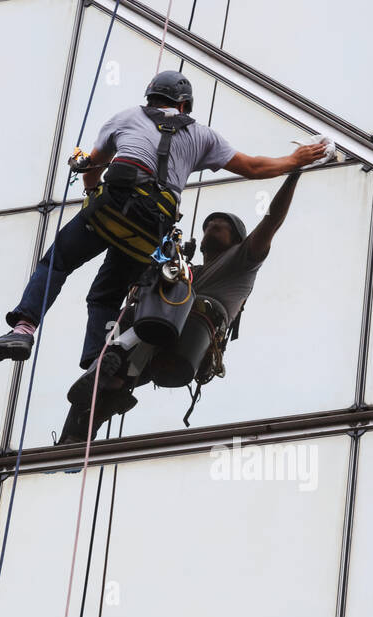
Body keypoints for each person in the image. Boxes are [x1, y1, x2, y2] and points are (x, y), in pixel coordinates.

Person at [0, 70, 325, 369]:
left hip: (112, 207)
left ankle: (23, 330)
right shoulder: (202, 135)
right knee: (106, 294)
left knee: (58, 261)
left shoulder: (125, 117)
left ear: (150, 98)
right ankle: (100, 358)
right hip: (151, 227)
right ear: (184, 106)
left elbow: (92, 168)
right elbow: (253, 167)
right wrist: (297, 159)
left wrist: (93, 202)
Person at [56, 169, 305, 443]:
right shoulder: (187, 272)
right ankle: (78, 434)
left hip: (194, 328)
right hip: (163, 334)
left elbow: (272, 220)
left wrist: (294, 174)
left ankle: (114, 362)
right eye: (208, 225)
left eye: (220, 225)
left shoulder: (242, 260)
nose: (211, 227)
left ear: (237, 238)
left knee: (131, 339)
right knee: (103, 381)